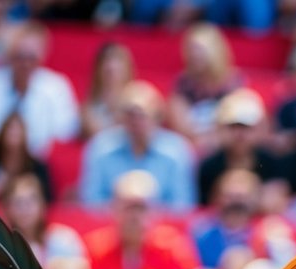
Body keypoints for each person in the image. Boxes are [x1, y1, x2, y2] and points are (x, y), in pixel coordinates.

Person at [0, 21, 80, 159]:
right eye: (20, 57)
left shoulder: (58, 88)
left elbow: (64, 135)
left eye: (32, 58)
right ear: (9, 56)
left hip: (41, 166)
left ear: (42, 57)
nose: (25, 64)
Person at [79, 80, 196, 211]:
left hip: (162, 228)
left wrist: (142, 217)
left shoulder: (177, 150)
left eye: (142, 115)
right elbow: (91, 203)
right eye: (130, 115)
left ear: (157, 117)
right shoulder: (100, 147)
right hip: (112, 226)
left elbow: (182, 207)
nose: (136, 122)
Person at [166, 23, 242, 154]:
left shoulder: (232, 83)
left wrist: (215, 139)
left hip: (224, 146)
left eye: (199, 50)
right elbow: (180, 125)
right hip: (191, 146)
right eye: (191, 50)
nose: (195, 55)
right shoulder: (182, 83)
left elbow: (235, 122)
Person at [196, 87, 273, 208]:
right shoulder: (208, 167)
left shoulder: (272, 163)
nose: (239, 134)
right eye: (233, 127)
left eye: (246, 127)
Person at [0, 172, 85, 264]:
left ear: (43, 204)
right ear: (6, 209)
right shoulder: (2, 247)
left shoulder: (63, 240)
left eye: (30, 201)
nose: (24, 209)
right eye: (18, 203)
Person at [0, 112, 52, 202]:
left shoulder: (39, 170)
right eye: (10, 129)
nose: (14, 134)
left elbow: (48, 203)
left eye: (18, 130)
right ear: (1, 135)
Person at [80, 42, 135, 140]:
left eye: (118, 60)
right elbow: (96, 135)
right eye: (106, 61)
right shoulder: (88, 106)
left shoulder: (139, 101)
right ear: (97, 69)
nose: (111, 66)